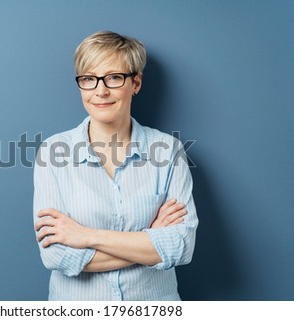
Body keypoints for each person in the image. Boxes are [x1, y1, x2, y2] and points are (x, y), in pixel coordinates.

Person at [33, 31, 198, 300]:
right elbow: (56, 255)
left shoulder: (169, 151)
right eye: (89, 79)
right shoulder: (52, 153)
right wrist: (150, 239)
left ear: (136, 83)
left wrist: (85, 236)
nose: (100, 90)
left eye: (113, 77)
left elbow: (180, 247)